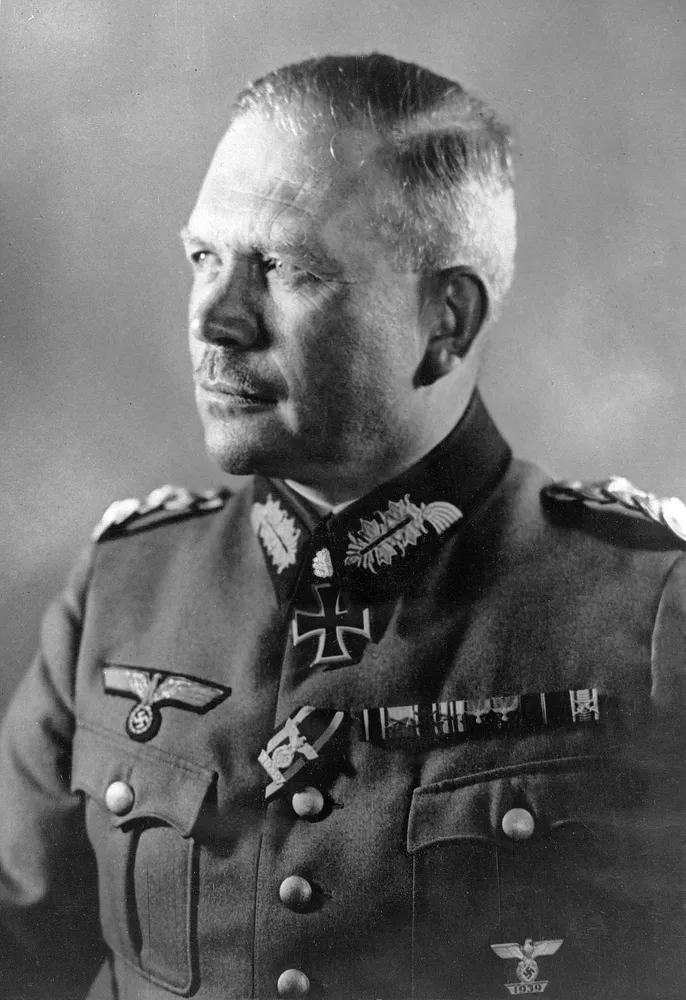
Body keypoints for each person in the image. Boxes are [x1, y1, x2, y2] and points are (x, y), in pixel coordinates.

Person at [0, 52, 684, 1000]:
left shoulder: (650, 617)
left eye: (287, 268)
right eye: (203, 257)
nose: (215, 317)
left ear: (446, 323)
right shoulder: (122, 593)